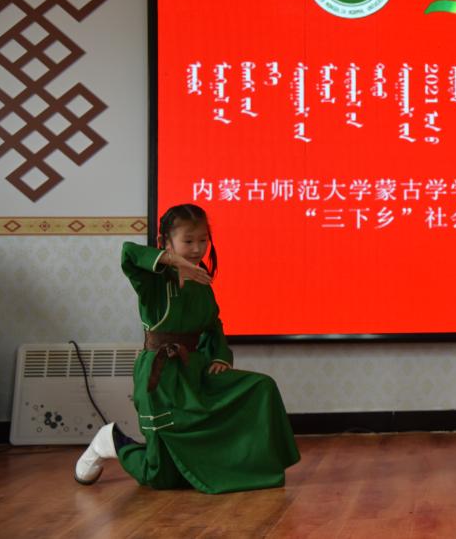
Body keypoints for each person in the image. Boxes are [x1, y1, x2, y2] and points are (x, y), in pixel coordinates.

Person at [74, 203, 300, 492]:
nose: (197, 249)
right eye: (188, 241)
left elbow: (213, 325)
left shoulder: (201, 283)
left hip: (195, 371)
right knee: (161, 476)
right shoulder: (152, 280)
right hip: (160, 377)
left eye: (203, 240)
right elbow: (128, 253)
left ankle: (247, 467)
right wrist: (173, 261)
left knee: (261, 387)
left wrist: (219, 357)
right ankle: (111, 441)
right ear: (166, 242)